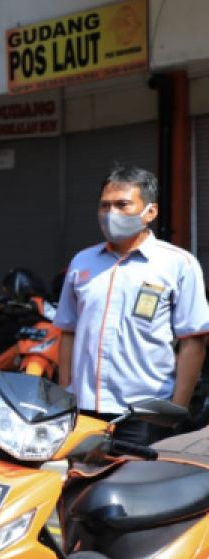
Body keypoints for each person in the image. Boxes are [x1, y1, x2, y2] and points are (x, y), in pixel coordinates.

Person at [55, 165, 209, 444]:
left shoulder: (178, 264)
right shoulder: (82, 263)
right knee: (81, 483)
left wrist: (175, 410)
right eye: (104, 206)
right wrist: (66, 390)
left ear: (150, 212)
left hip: (145, 414)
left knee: (139, 483)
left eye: (122, 205)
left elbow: (194, 341)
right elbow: (68, 331)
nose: (110, 214)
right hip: (85, 412)